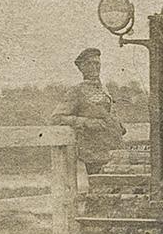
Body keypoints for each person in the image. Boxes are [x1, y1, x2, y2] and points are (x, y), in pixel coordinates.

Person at [51, 48, 126, 177]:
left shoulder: (104, 89)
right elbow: (57, 118)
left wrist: (118, 125)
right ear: (81, 68)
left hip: (115, 150)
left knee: (119, 190)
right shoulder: (76, 91)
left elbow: (106, 112)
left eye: (97, 64)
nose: (94, 67)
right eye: (89, 64)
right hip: (95, 153)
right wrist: (87, 122)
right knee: (99, 190)